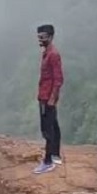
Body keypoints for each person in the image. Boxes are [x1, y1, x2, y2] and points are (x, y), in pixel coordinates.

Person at [34, 24, 64, 174]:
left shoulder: (53, 54)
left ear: (50, 37)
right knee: (53, 125)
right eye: (38, 36)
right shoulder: (47, 52)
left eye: (42, 37)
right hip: (45, 95)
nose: (39, 39)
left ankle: (48, 161)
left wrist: (52, 98)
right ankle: (55, 155)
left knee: (47, 129)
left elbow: (58, 79)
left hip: (47, 97)